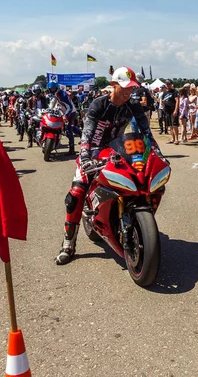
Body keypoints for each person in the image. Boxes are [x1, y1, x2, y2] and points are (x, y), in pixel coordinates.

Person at [55, 67, 161, 265]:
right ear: (113, 85)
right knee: (76, 193)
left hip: (117, 150)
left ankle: (136, 222)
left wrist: (156, 153)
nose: (129, 91)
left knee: (144, 181)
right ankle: (68, 244)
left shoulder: (134, 105)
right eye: (125, 87)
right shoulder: (99, 104)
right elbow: (87, 132)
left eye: (132, 87)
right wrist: (85, 157)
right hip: (93, 152)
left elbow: (146, 133)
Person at [48, 81, 77, 155]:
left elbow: (69, 107)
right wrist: (48, 109)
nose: (52, 90)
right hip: (64, 112)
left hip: (71, 112)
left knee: (68, 130)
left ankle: (72, 149)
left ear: (56, 87)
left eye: (54, 88)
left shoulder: (62, 95)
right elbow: (54, 101)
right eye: (51, 89)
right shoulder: (57, 94)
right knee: (68, 129)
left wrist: (65, 116)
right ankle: (81, 134)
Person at [162, 80, 179, 144]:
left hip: (173, 110)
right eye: (166, 84)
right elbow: (163, 102)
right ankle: (173, 138)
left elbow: (177, 101)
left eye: (169, 84)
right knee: (170, 125)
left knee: (174, 125)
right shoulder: (165, 93)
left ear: (171, 84)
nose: (167, 85)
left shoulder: (174, 92)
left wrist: (176, 110)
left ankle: (176, 139)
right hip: (167, 111)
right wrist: (163, 103)